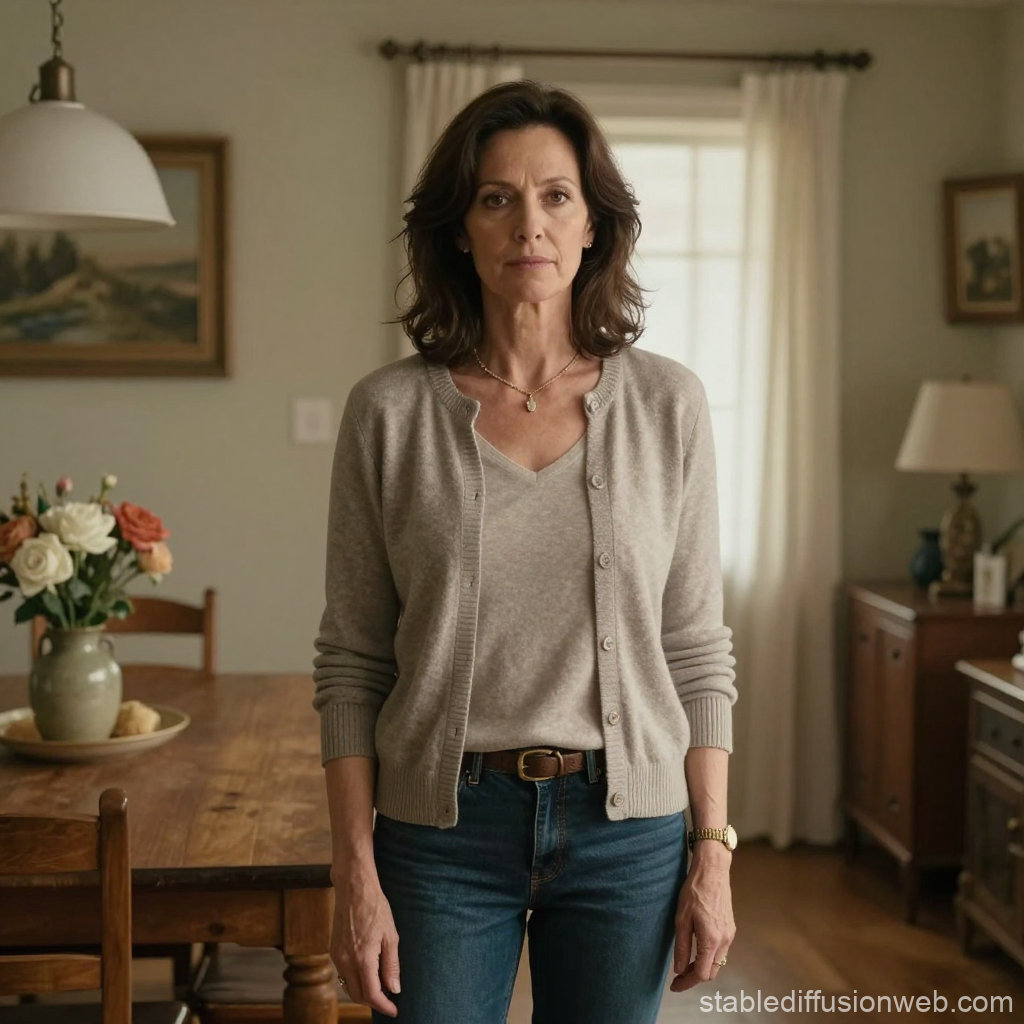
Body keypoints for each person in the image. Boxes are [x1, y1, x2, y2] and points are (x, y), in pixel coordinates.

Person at [313, 79, 739, 1024]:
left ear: (594, 226)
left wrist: (711, 849)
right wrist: (355, 869)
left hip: (628, 835)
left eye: (556, 196)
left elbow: (697, 649)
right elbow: (352, 661)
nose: (528, 225)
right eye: (496, 198)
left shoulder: (670, 406)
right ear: (459, 228)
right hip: (441, 835)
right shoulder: (387, 413)